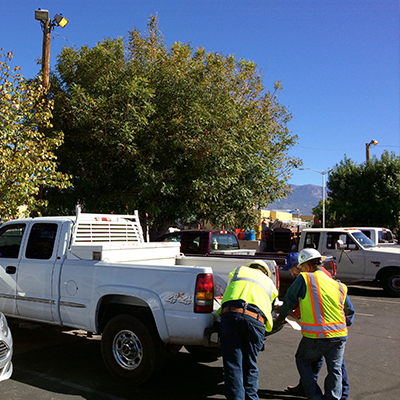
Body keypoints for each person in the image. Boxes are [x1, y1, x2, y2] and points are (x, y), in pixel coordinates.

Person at [275, 248, 355, 400]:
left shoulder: (305, 278)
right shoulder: (338, 285)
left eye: (301, 266)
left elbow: (290, 300)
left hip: (317, 335)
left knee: (303, 360)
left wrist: (281, 317)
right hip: (339, 335)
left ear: (306, 265)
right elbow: (349, 311)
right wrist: (344, 324)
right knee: (335, 369)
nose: (299, 270)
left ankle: (315, 396)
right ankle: (334, 397)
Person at [217, 260, 278, 400]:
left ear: (250, 267)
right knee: (250, 364)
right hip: (255, 320)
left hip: (231, 315)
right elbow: (271, 309)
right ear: (265, 273)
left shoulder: (238, 271)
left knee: (233, 364)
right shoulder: (270, 284)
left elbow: (230, 290)